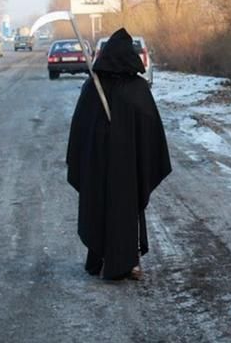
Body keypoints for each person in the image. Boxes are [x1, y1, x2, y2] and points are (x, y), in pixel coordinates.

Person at [66, 28, 172, 280]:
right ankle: (106, 259)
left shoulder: (131, 88)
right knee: (117, 210)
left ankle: (126, 261)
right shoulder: (97, 87)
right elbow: (82, 126)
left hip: (121, 164)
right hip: (105, 163)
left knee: (115, 208)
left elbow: (149, 127)